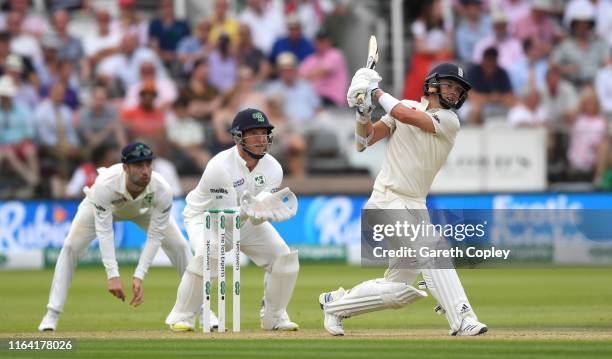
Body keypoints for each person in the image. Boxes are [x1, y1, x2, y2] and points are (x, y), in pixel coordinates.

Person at [318, 63, 488, 336]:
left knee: (398, 289)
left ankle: (335, 304)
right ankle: (462, 318)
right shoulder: (405, 106)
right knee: (432, 247)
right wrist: (363, 114)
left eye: (459, 89)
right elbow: (364, 142)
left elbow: (407, 116)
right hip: (386, 198)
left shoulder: (449, 121)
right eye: (449, 85)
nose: (454, 93)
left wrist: (374, 92)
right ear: (431, 85)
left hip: (415, 204)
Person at [165, 108, 300, 332]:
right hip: (207, 218)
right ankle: (183, 316)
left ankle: (274, 317)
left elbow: (255, 218)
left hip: (244, 222)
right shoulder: (219, 166)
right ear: (238, 137)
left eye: (264, 133)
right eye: (254, 133)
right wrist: (254, 210)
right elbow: (226, 220)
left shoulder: (273, 167)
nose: (261, 139)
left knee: (284, 258)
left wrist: (265, 211)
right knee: (209, 255)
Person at [38, 142, 193, 331]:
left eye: (148, 165)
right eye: (138, 166)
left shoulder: (162, 189)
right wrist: (113, 275)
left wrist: (139, 275)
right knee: (70, 246)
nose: (145, 171)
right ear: (125, 168)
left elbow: (155, 236)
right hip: (102, 205)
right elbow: (105, 231)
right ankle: (52, 314)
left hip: (143, 210)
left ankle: (203, 311)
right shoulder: (105, 185)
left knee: (181, 246)